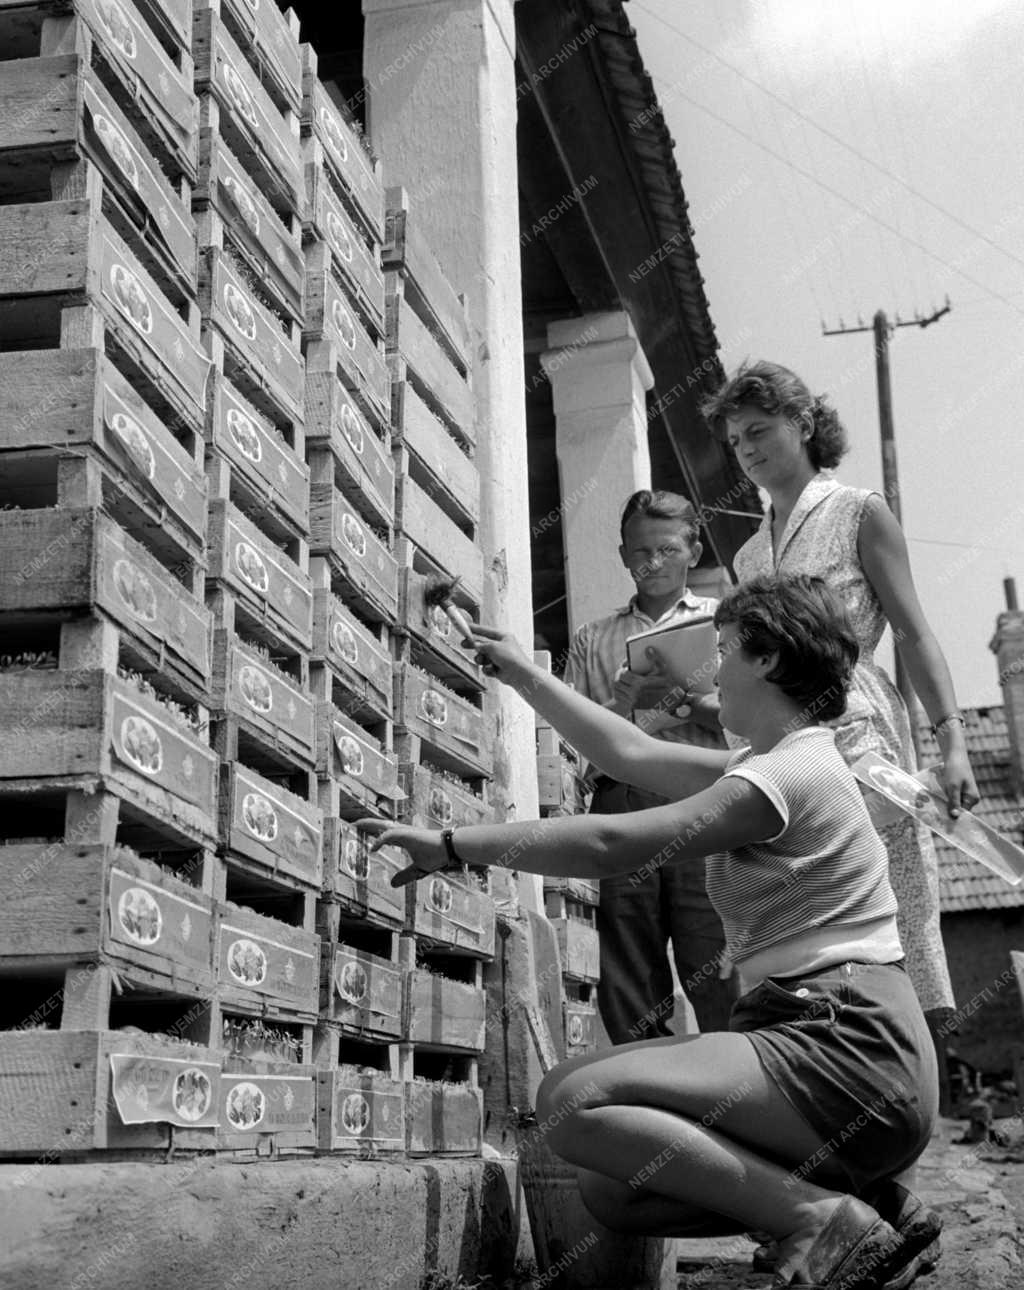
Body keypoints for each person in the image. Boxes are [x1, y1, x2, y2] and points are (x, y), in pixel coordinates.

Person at [359, 575, 941, 1290]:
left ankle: (819, 1218)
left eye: (725, 649)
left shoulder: (789, 773)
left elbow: (612, 843)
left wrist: (451, 844)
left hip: (846, 1042)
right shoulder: (767, 763)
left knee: (572, 1100)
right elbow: (627, 754)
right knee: (614, 1187)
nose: (715, 671)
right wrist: (520, 674)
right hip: (838, 1048)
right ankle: (872, 1204)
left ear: (767, 660)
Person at [699, 361, 980, 1033]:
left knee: (886, 897)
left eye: (760, 430)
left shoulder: (859, 511)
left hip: (859, 731)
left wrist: (952, 739)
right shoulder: (747, 560)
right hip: (775, 744)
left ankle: (903, 1065)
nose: (748, 449)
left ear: (802, 423)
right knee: (797, 896)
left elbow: (914, 631)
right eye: (737, 440)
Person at [562, 489, 734, 1043]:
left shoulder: (727, 626)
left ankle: (736, 1085)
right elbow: (577, 743)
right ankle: (651, 1098)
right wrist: (621, 705)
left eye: (666, 549)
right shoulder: (594, 638)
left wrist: (686, 699)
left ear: (693, 550)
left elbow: (756, 726)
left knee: (716, 951)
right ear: (622, 556)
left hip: (709, 803)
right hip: (625, 802)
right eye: (640, 552)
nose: (652, 563)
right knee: (626, 963)